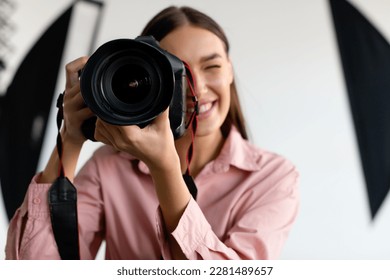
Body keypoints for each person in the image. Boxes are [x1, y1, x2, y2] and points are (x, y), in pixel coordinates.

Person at [5, 6, 299, 260]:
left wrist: (166, 169)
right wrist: (68, 140)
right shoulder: (111, 166)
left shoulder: (272, 178)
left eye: (212, 67)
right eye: (179, 73)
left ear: (230, 70)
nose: (199, 89)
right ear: (147, 80)